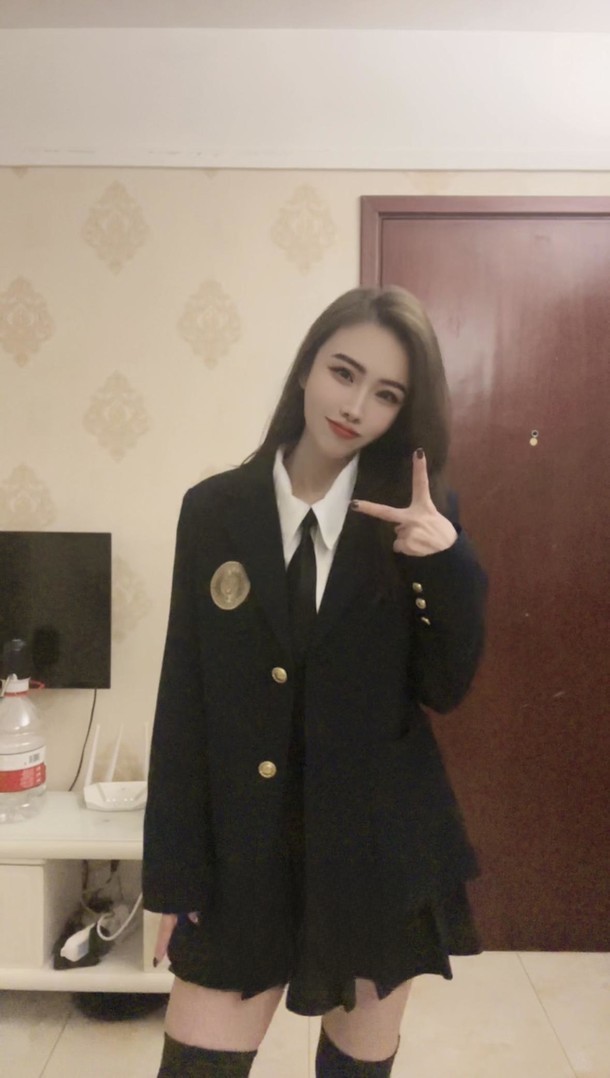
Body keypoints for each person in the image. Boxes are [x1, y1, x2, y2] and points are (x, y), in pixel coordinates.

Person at [143, 286, 488, 1077]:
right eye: (344, 372)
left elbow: (446, 686)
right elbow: (183, 699)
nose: (356, 406)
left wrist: (448, 564)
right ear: (307, 368)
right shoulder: (214, 511)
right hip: (242, 854)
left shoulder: (413, 520)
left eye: (387, 393)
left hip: (377, 851)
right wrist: (174, 872)